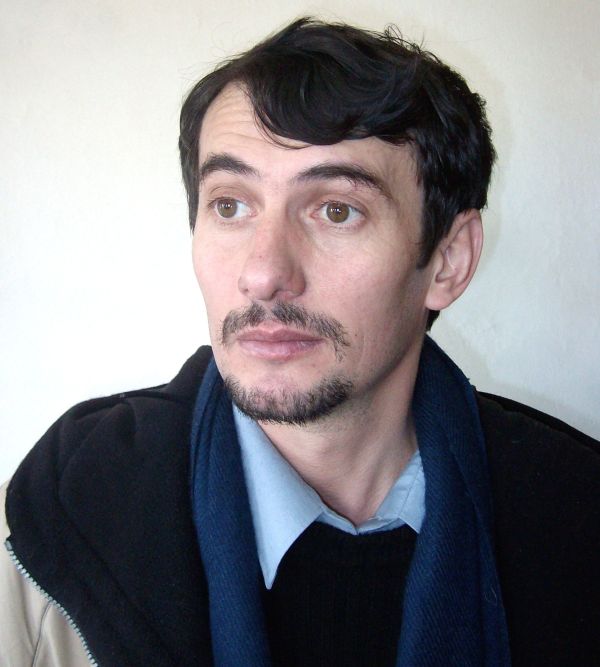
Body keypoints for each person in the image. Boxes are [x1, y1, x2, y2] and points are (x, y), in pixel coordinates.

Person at [1, 17, 598, 667]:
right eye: (230, 205)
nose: (263, 273)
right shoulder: (53, 535)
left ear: (448, 260)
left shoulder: (573, 520)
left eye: (336, 210)